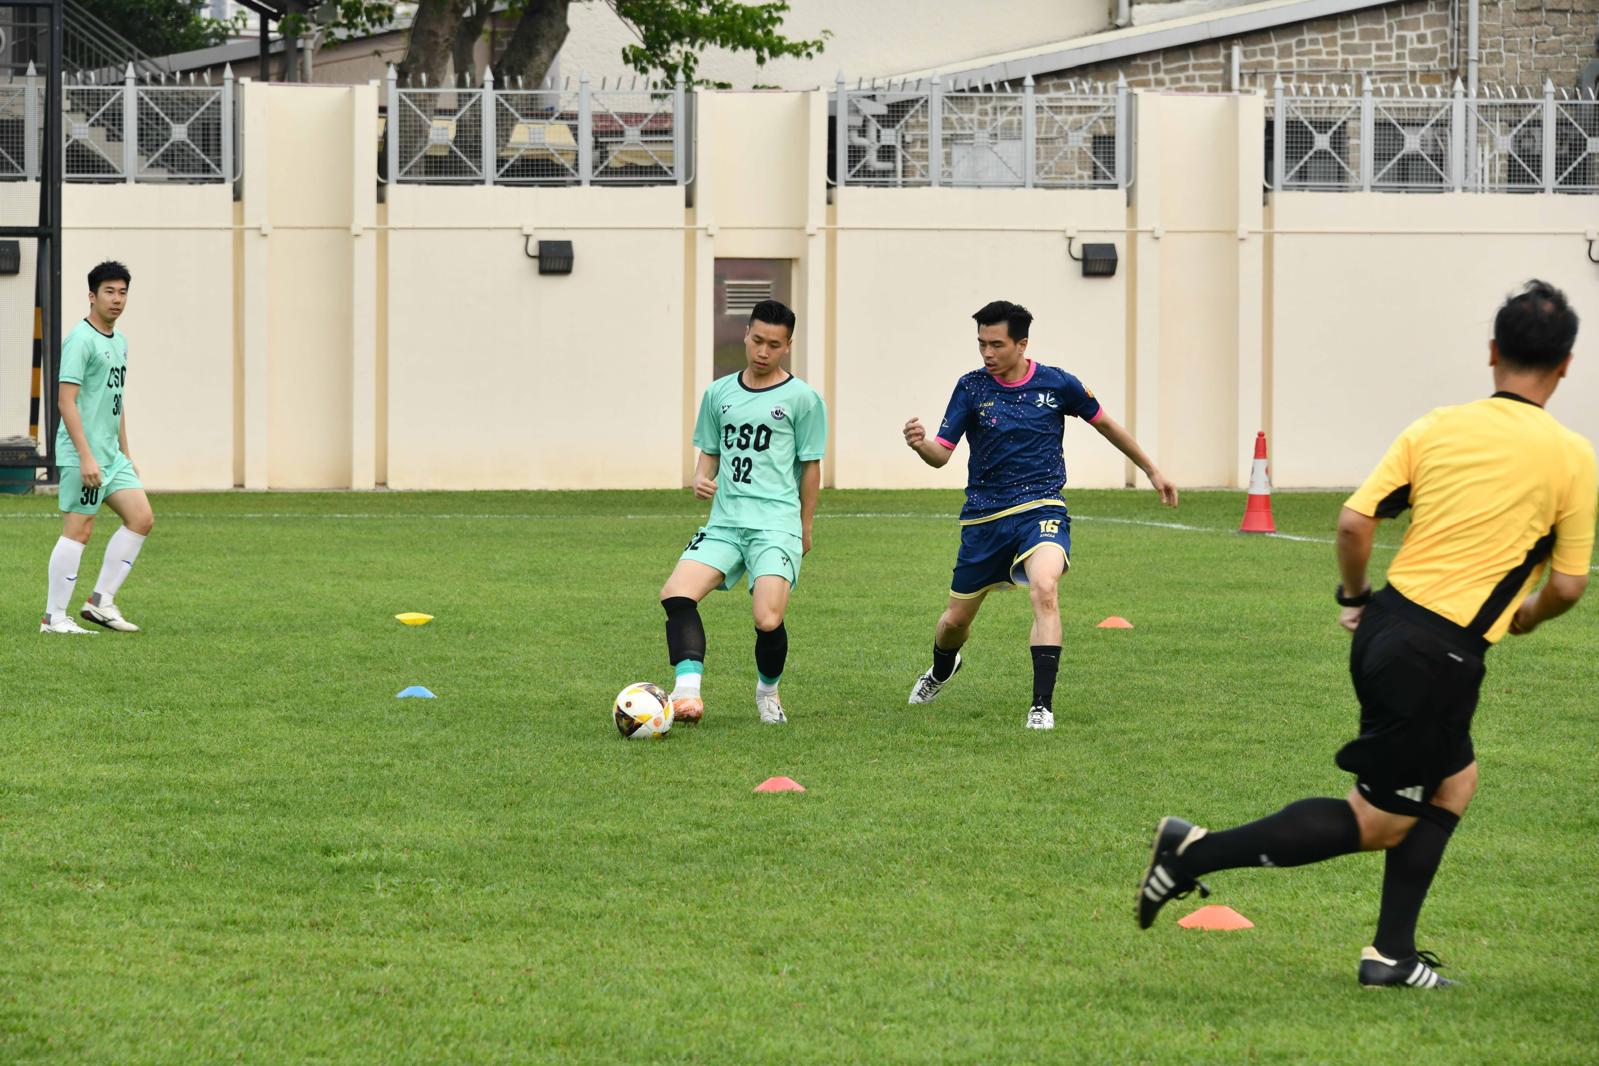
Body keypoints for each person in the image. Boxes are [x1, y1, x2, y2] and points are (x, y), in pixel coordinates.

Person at [1136, 280, 1595, 989]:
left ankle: (1391, 953)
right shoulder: (1572, 457)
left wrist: (1353, 596)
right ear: (1565, 363)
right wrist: (1524, 615)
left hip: (1387, 625)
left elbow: (1355, 524)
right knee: (1378, 821)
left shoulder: (1437, 427)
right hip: (1439, 656)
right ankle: (1191, 854)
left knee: (1454, 780)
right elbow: (1565, 586)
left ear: (1491, 352)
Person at [902, 300, 1178, 730]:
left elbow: (1106, 424)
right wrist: (921, 444)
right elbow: (941, 455)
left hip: (1041, 508)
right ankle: (942, 668)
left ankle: (1041, 707)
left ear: (1022, 344)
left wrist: (1151, 470)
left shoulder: (1057, 384)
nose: (987, 353)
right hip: (984, 519)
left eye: (997, 344)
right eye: (981, 344)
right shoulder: (971, 388)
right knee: (955, 622)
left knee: (1045, 588)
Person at [658, 299, 828, 726]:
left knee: (768, 619)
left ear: (788, 346)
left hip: (776, 526)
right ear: (746, 335)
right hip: (725, 523)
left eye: (774, 344)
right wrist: (700, 478)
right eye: (757, 340)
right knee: (676, 594)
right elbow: (710, 452)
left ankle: (768, 692)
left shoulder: (803, 399)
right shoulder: (719, 393)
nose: (763, 351)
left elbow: (811, 468)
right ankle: (687, 693)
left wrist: (805, 527)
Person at [41, 260, 154, 635]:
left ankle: (100, 602)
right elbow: (66, 402)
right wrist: (86, 456)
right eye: (109, 291)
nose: (117, 299)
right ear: (92, 296)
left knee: (141, 518)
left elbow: (115, 401)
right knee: (79, 529)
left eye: (122, 292)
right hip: (83, 454)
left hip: (111, 456)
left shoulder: (119, 341)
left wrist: (126, 453)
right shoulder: (80, 340)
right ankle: (54, 618)